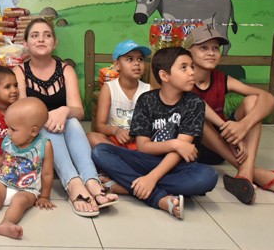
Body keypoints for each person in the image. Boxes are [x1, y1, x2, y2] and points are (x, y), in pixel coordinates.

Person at [92, 47, 218, 220]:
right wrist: (175, 144)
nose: (191, 73)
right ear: (165, 76)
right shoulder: (147, 100)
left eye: (192, 67)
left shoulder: (195, 103)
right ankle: (157, 196)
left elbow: (180, 152)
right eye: (184, 67)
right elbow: (143, 146)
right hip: (147, 160)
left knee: (208, 177)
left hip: (177, 166)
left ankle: (126, 186)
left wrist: (151, 179)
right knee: (100, 151)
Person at [12, 18, 118, 217]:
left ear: (55, 42)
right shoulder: (19, 71)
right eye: (35, 36)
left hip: (67, 128)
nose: (41, 39)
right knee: (47, 126)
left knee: (74, 122)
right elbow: (24, 113)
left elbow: (79, 110)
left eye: (47, 35)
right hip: (34, 133)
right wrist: (48, 117)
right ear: (26, 44)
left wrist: (64, 111)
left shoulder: (65, 70)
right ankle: (73, 184)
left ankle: (91, 180)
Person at [185, 25, 274, 203]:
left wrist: (242, 127)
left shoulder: (221, 78)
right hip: (195, 146)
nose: (211, 53)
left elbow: (269, 99)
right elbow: (197, 106)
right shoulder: (184, 79)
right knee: (196, 113)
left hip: (225, 142)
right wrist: (230, 129)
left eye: (216, 48)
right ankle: (252, 171)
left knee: (253, 101)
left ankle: (245, 173)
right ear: (189, 53)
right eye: (203, 48)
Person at [0, 97, 55, 239]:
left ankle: (7, 223)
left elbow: (47, 173)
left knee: (19, 202)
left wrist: (44, 196)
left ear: (33, 131)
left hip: (27, 188)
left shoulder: (44, 145)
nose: (8, 132)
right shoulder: (10, 139)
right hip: (4, 180)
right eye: (8, 127)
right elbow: (4, 157)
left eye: (13, 129)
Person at [87, 39, 151, 195]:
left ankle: (118, 179)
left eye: (140, 59)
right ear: (117, 65)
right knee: (92, 137)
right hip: (116, 144)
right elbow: (100, 125)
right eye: (129, 59)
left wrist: (139, 135)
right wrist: (116, 131)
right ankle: (132, 177)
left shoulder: (148, 90)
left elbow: (152, 125)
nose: (136, 63)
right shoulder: (109, 88)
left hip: (138, 145)